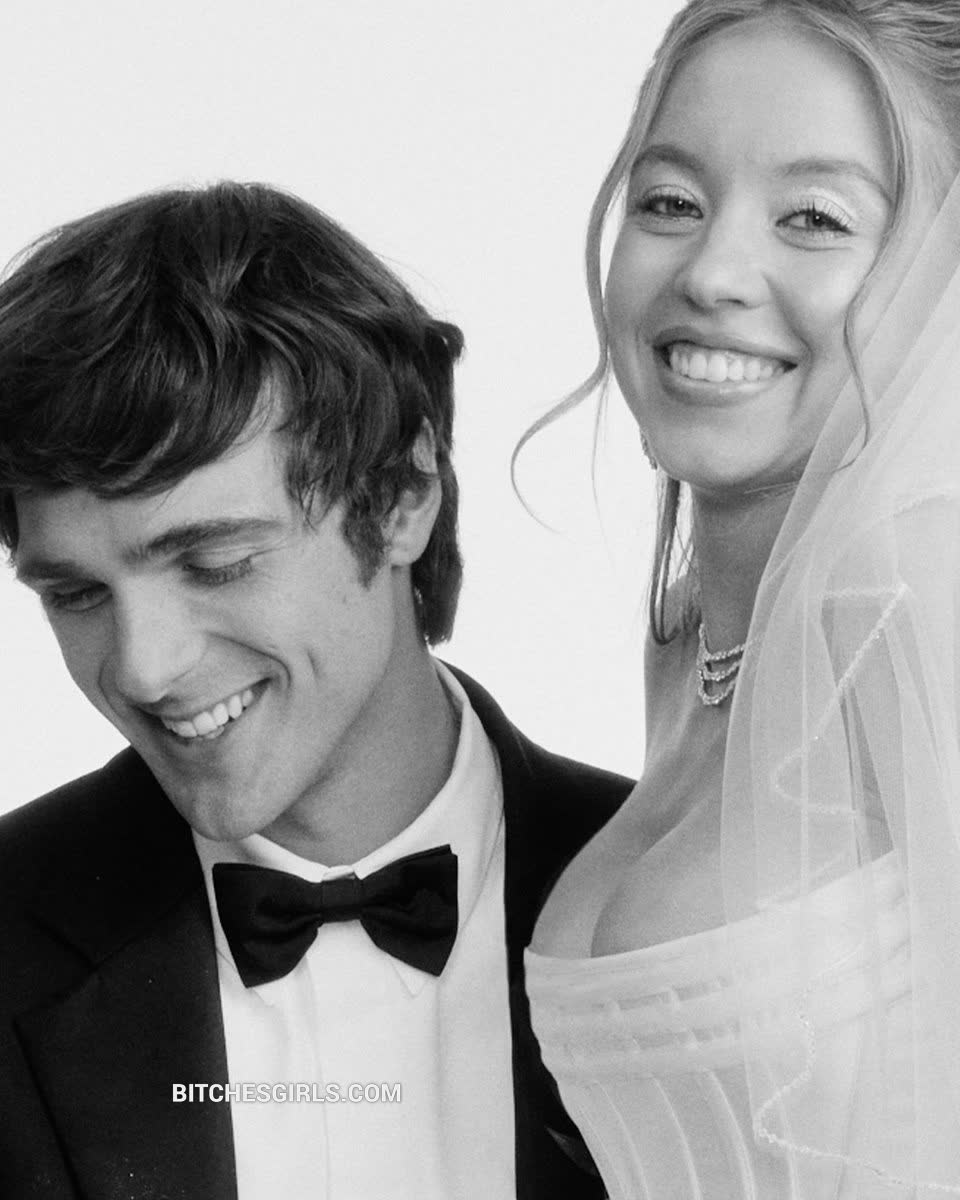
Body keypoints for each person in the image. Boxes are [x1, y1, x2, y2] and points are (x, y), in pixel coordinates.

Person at [0, 182, 631, 1200]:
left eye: (214, 563)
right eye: (75, 594)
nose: (143, 667)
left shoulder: (692, 899)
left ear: (403, 497)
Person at [523, 1, 960, 1196]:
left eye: (814, 218)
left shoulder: (920, 595)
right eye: (670, 200)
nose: (711, 273)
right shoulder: (693, 637)